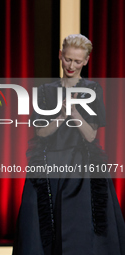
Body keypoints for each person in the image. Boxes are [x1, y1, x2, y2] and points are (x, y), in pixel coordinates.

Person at [12, 34, 125, 255]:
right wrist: (61, 116)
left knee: (79, 228)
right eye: (67, 59)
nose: (71, 65)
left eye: (77, 61)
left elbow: (91, 135)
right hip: (48, 162)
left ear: (86, 61)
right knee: (42, 228)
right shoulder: (45, 90)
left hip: (81, 165)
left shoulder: (92, 90)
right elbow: (41, 132)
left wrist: (74, 114)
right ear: (60, 56)